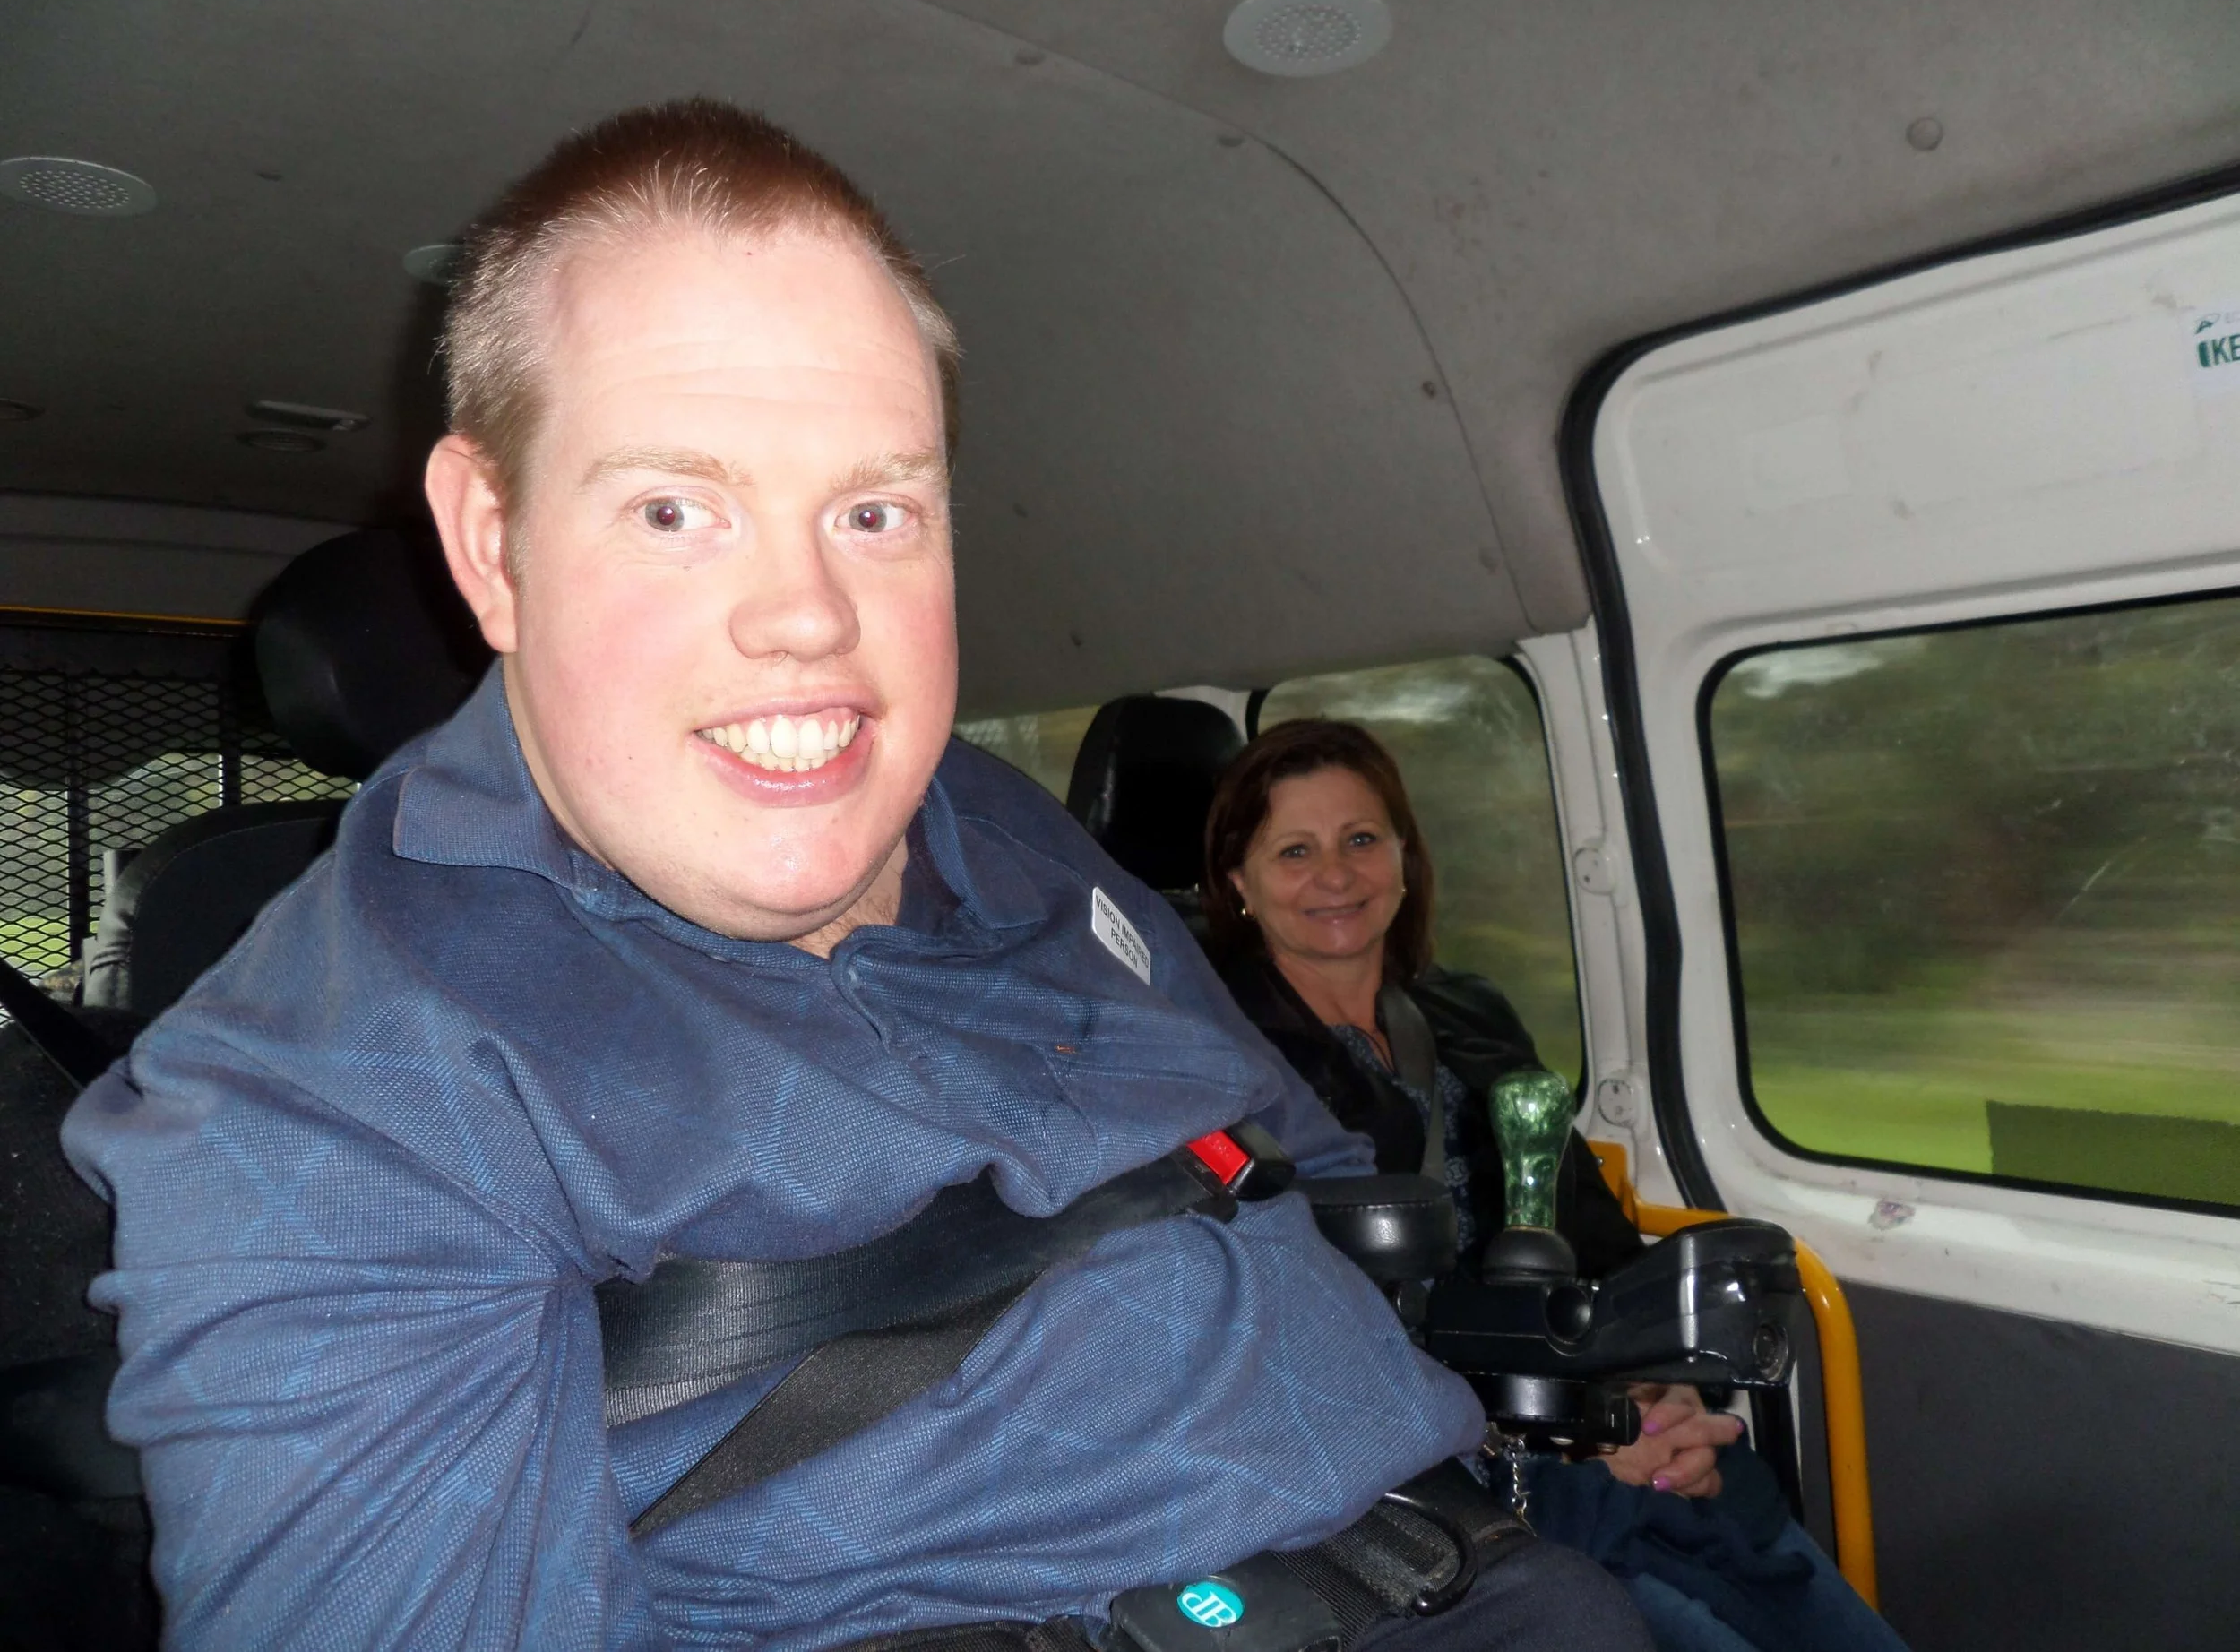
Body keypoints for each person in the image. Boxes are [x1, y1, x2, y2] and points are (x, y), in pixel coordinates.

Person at [58, 102, 1650, 1650]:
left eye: (874, 509)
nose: (810, 615)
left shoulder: (995, 820)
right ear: (492, 541)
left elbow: (1290, 1175)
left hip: (1501, 1546)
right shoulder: (331, 1097)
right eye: (678, 509)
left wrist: (1574, 1380)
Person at [1202, 719, 1910, 1652]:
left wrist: (1657, 1391)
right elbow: (1300, 1313)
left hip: (1589, 1406)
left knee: (1789, 1576)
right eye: (1294, 851)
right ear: (1240, 885)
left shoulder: (1468, 1012)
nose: (1335, 875)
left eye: (1361, 839)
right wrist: (1575, 1440)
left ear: (1405, 858)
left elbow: (1590, 1230)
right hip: (1442, 1450)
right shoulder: (1221, 1065)